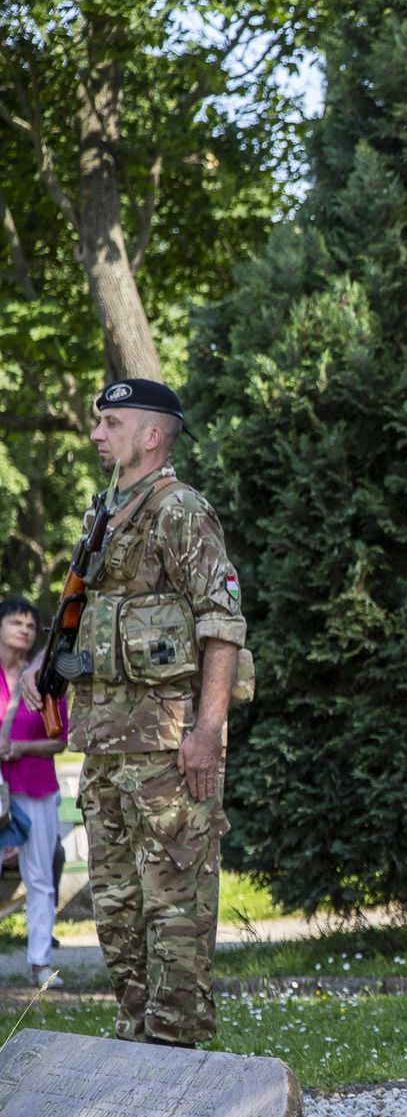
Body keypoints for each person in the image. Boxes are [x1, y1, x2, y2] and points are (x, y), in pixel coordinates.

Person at [68, 378, 247, 1048]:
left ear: (150, 435)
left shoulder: (181, 511)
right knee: (117, 912)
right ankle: (135, 1049)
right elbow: (85, 618)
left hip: (167, 751)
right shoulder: (103, 514)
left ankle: (177, 1056)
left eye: (110, 423)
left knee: (174, 912)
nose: (97, 434)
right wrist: (40, 672)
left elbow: (222, 626)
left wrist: (208, 732)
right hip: (105, 748)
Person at [1, 596, 67, 987]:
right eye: (16, 622)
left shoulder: (43, 679)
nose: (24, 629)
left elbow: (60, 740)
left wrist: (20, 748)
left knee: (40, 876)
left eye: (30, 625)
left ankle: (41, 964)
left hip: (36, 788)